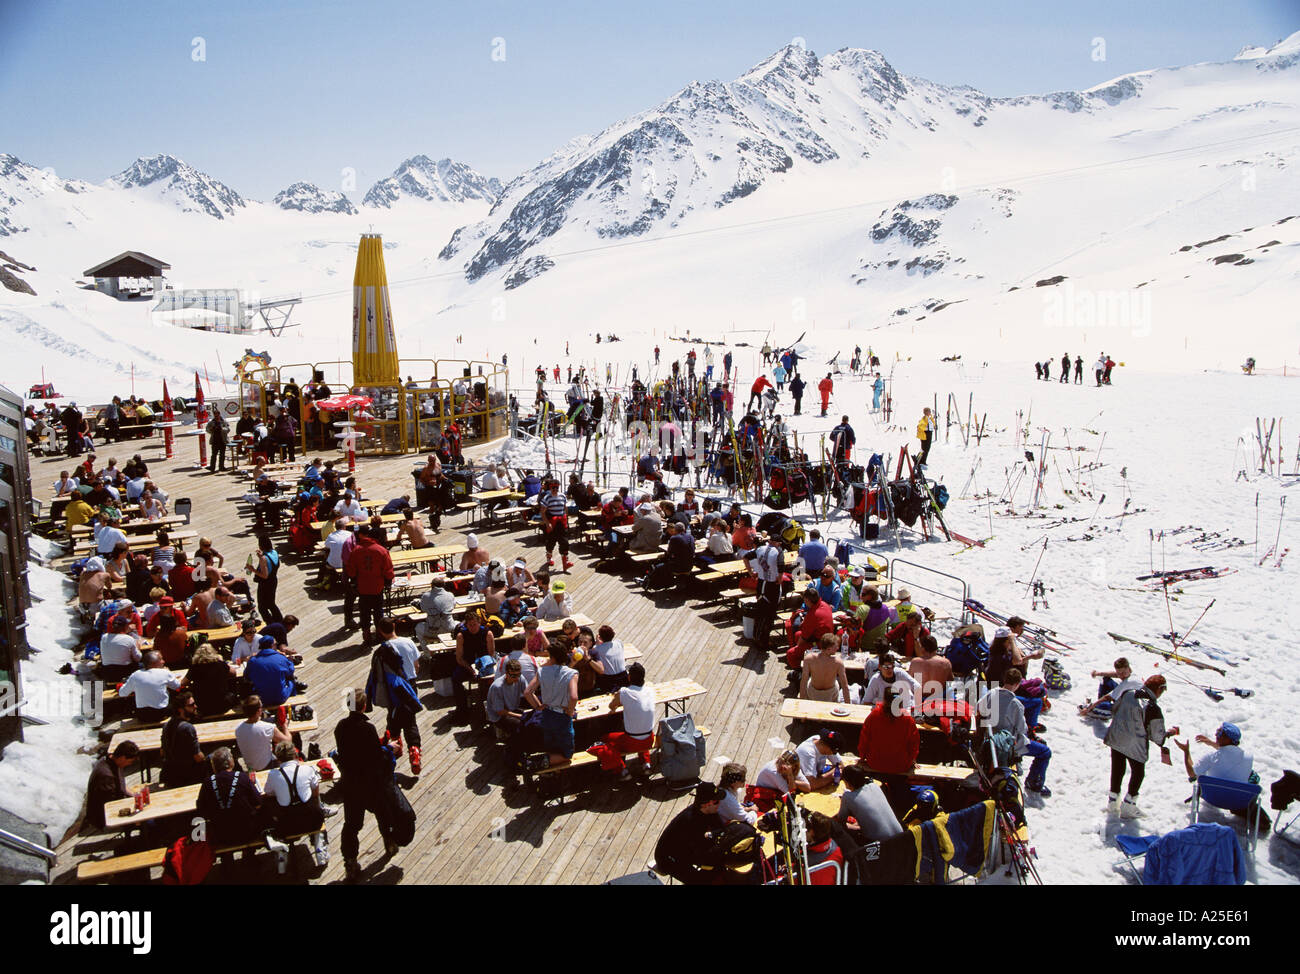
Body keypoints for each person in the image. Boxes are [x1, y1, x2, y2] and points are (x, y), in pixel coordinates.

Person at [334, 688, 404, 881]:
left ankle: (350, 861)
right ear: (364, 706)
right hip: (371, 783)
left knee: (352, 825)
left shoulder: (340, 727)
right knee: (383, 813)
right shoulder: (367, 728)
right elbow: (374, 757)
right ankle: (390, 843)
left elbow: (351, 751)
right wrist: (389, 747)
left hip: (350, 784)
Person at [1104, 673, 1177, 817]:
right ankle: (1129, 806)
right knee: (1138, 773)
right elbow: (1158, 737)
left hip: (1117, 738)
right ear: (1159, 689)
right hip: (1135, 746)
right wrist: (1170, 733)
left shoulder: (1128, 693)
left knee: (1117, 769)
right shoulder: (1152, 707)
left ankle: (1112, 802)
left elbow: (1114, 710)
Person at [979, 669, 1052, 798]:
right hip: (1006, 744)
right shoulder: (1015, 704)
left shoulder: (990, 695)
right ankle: (1034, 783)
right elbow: (1022, 729)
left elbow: (979, 709)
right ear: (1017, 684)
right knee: (1045, 752)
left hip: (989, 738)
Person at [367, 634, 424, 774]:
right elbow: (417, 666)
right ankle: (414, 750)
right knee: (410, 720)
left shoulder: (382, 652)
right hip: (410, 685)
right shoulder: (408, 642)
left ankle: (396, 745)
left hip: (393, 688)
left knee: (394, 716)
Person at [652, 782, 730, 884]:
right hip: (669, 858)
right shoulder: (690, 821)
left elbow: (721, 829)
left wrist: (712, 835)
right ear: (706, 804)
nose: (719, 803)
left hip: (686, 848)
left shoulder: (709, 811)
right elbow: (699, 849)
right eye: (716, 802)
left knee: (718, 866)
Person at [196, 746, 265, 848]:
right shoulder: (242, 777)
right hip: (247, 832)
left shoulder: (208, 782)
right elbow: (258, 802)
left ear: (214, 766)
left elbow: (201, 808)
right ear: (230, 762)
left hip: (220, 835)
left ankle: (227, 860)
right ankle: (250, 855)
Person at [524, 641, 579, 766]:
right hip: (563, 716)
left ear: (552, 657)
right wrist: (570, 711)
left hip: (547, 714)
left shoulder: (542, 671)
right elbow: (574, 697)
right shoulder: (572, 673)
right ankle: (543, 762)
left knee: (551, 747)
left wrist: (538, 706)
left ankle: (547, 765)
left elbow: (528, 692)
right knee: (567, 755)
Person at [600, 662, 657, 778]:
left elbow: (612, 706)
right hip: (649, 739)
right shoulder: (650, 691)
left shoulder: (625, 692)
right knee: (641, 730)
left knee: (605, 739)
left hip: (631, 742)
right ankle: (646, 763)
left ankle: (621, 769)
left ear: (629, 677)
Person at [347, 522, 394, 644]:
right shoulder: (381, 550)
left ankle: (366, 635)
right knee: (378, 612)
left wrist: (354, 580)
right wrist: (388, 581)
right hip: (377, 587)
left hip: (362, 588)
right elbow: (388, 569)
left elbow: (351, 570)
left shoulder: (356, 550)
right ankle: (380, 635)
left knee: (364, 612)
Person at [835, 763, 904, 843]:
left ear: (847, 782)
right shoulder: (874, 786)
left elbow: (841, 822)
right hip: (901, 836)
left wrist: (853, 827)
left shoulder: (847, 797)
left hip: (881, 845)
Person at [858, 686, 919, 776]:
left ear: (884, 700)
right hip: (901, 765)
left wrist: (862, 757)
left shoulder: (874, 715)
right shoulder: (908, 718)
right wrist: (913, 759)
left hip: (875, 763)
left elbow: (864, 739)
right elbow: (914, 743)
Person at [86, 741, 140, 830]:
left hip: (112, 803)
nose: (130, 764)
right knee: (147, 821)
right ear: (122, 758)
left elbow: (120, 786)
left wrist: (134, 795)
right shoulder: (106, 776)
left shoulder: (110, 760)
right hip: (104, 816)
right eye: (130, 762)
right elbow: (113, 804)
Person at [1177, 722, 1253, 785]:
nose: (1216, 735)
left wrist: (1186, 751)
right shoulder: (1248, 757)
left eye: (1219, 732)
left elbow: (1192, 773)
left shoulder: (1211, 757)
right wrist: (1211, 743)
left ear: (1227, 738)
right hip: (1239, 801)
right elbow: (1229, 753)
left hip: (1213, 800)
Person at [117, 651, 181, 723]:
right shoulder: (165, 672)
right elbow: (177, 686)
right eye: (161, 659)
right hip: (161, 713)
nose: (163, 661)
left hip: (142, 715)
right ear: (153, 663)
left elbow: (122, 693)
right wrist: (170, 674)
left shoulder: (136, 675)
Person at [160, 692, 208, 788]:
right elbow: (198, 757)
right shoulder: (187, 728)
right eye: (191, 705)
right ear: (180, 710)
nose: (195, 706)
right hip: (188, 776)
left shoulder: (166, 726)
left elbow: (162, 752)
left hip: (171, 775)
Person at [234, 694, 292, 772]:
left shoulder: (238, 729)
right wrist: (285, 726)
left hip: (251, 768)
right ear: (259, 711)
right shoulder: (267, 728)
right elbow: (288, 741)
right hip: (267, 766)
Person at [747, 533, 783, 653]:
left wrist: (751, 572)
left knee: (760, 611)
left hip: (761, 584)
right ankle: (764, 641)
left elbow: (746, 557)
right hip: (771, 586)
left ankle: (757, 636)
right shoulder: (778, 552)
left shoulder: (760, 549)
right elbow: (781, 569)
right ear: (778, 543)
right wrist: (779, 578)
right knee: (769, 614)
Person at [183, 643, 238, 716]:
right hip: (222, 705)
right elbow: (234, 673)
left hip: (203, 706)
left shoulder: (195, 667)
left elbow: (183, 682)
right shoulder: (220, 664)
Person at [785, 588, 834, 669]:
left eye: (804, 600)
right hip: (828, 640)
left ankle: (801, 672)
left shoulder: (813, 614)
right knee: (797, 635)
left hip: (820, 645)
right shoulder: (825, 605)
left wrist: (796, 648)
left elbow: (803, 638)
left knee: (790, 654)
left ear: (807, 600)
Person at [244, 634, 297, 707]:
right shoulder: (280, 658)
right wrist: (290, 661)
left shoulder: (253, 661)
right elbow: (290, 671)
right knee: (291, 679)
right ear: (272, 645)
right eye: (276, 644)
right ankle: (293, 705)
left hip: (261, 698)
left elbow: (247, 676)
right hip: (280, 698)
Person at [801, 633, 851, 703]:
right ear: (828, 649)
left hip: (813, 694)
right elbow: (844, 685)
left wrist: (802, 700)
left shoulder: (809, 659)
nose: (837, 648)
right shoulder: (838, 662)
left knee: (809, 680)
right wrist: (848, 704)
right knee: (837, 682)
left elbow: (804, 681)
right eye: (835, 646)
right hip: (830, 695)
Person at [539, 478, 573, 571]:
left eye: (556, 488)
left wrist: (566, 519)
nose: (555, 489)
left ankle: (565, 563)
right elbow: (542, 512)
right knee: (551, 542)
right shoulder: (547, 497)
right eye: (553, 487)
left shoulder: (563, 496)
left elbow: (565, 508)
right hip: (552, 522)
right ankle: (549, 558)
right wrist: (547, 523)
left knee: (564, 542)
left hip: (561, 522)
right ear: (550, 488)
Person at [908, 633, 953, 703]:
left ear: (923, 648)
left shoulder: (915, 662)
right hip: (939, 699)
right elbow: (950, 681)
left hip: (921, 700)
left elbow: (909, 681)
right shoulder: (946, 662)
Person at [99, 614, 142, 682]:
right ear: (125, 626)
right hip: (125, 673)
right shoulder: (129, 639)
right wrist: (138, 646)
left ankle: (97, 690)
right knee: (144, 665)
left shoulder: (104, 637)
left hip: (107, 673)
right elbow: (138, 658)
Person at [253, 533, 283, 625]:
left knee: (262, 607)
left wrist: (252, 569)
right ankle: (279, 620)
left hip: (265, 584)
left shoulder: (264, 558)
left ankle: (270, 623)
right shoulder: (274, 553)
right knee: (271, 603)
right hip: (273, 580)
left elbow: (264, 575)